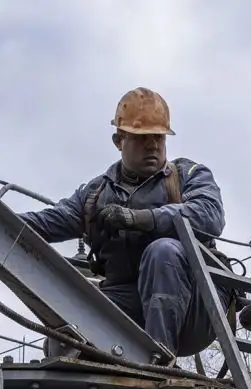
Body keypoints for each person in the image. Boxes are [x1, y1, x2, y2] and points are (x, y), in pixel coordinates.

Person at [19, 87, 228, 358]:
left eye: (158, 137)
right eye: (143, 138)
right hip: (132, 303)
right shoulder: (95, 195)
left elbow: (209, 215)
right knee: (70, 325)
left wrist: (141, 218)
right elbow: (48, 222)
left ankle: (159, 367)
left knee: (162, 251)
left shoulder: (187, 174)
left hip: (197, 306)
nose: (153, 145)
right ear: (119, 141)